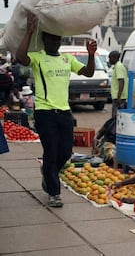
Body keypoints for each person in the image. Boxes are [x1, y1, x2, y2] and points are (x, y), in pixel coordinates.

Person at [16, 13, 96, 208]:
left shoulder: (67, 59)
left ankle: (47, 172)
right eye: (51, 38)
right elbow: (20, 57)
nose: (55, 42)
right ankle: (54, 192)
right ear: (44, 40)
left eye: (58, 39)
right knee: (51, 152)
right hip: (45, 113)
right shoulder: (38, 58)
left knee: (66, 153)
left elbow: (88, 72)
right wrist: (29, 31)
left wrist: (91, 55)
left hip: (64, 112)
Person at [109, 51, 128, 117]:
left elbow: (121, 81)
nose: (109, 60)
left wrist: (119, 96)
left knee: (115, 117)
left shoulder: (118, 66)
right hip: (118, 96)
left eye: (110, 58)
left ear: (114, 58)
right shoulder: (118, 66)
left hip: (119, 97)